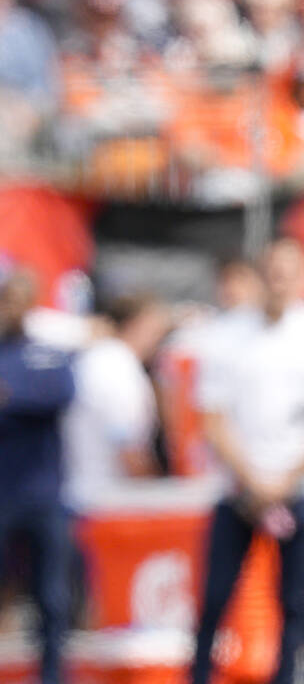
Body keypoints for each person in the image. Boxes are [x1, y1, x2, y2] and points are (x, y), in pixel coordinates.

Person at [191, 239, 304, 684]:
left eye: (288, 271)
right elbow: (213, 418)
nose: (278, 280)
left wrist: (284, 480)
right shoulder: (225, 335)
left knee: (300, 604)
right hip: (238, 491)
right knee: (213, 598)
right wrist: (254, 481)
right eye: (271, 270)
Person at [0, 268, 75, 684]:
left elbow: (62, 393)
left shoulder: (46, 353)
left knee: (52, 595)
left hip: (44, 494)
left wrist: (11, 399)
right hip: (3, 493)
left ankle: (52, 675)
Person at [62, 294, 170, 509]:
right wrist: (159, 492)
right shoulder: (117, 369)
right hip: (107, 499)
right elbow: (128, 449)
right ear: (137, 324)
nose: (159, 341)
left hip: (87, 491)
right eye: (157, 332)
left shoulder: (98, 359)